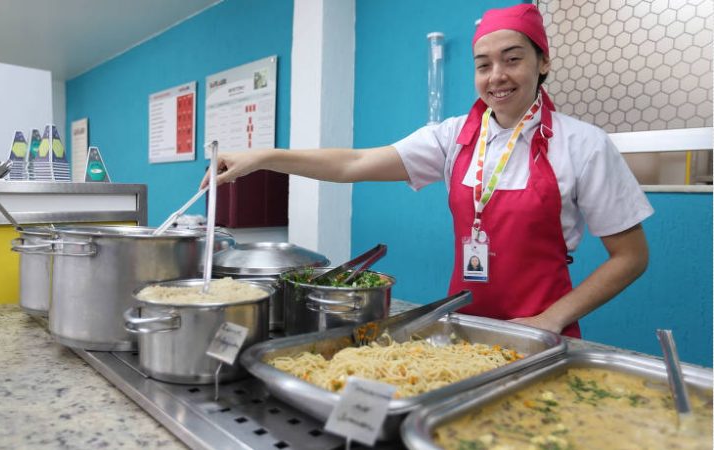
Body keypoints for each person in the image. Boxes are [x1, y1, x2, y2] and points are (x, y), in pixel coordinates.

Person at [201, 4, 652, 338]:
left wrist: (550, 320)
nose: (497, 75)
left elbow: (630, 257)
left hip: (542, 333)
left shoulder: (584, 144)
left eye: (513, 59)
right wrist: (265, 157)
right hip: (462, 327)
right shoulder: (453, 137)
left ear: (544, 62)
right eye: (483, 65)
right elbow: (354, 162)